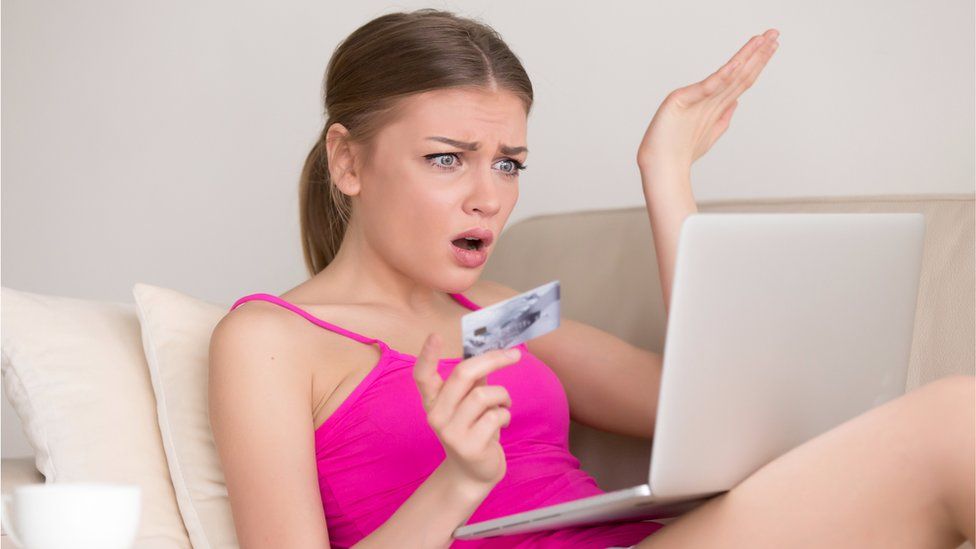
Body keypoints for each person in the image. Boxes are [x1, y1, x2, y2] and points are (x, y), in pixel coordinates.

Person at [207, 8, 975, 549]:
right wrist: (458, 483)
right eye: (448, 158)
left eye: (508, 163)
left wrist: (666, 173)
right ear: (348, 161)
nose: (489, 195)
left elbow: (718, 409)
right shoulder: (269, 338)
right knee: (955, 419)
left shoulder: (498, 311)